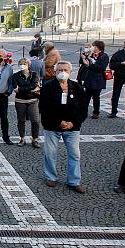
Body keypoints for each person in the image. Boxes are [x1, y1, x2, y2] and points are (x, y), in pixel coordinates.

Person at [39, 61, 87, 194]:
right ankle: (51, 177)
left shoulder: (77, 88)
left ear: (70, 72)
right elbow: (44, 108)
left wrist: (73, 123)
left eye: (65, 70)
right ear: (55, 72)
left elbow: (83, 110)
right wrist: (59, 122)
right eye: (59, 70)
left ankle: (74, 181)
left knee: (75, 154)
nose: (62, 72)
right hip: (52, 126)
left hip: (72, 127)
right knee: (50, 153)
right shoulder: (48, 87)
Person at [12, 58, 42, 147]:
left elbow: (34, 86)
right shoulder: (15, 76)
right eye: (20, 63)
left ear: (28, 65)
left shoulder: (34, 75)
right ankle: (22, 138)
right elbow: (15, 88)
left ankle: (35, 139)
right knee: (21, 120)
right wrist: (30, 89)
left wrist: (21, 89)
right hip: (20, 101)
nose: (22, 65)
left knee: (35, 121)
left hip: (33, 101)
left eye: (24, 63)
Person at [78, 40, 109, 119]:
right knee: (86, 96)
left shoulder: (104, 56)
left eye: (94, 46)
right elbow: (82, 62)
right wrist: (84, 56)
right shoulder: (90, 54)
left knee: (96, 97)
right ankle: (83, 112)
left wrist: (89, 65)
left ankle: (96, 112)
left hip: (98, 79)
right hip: (89, 78)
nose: (92, 48)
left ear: (99, 47)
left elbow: (101, 68)